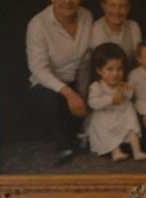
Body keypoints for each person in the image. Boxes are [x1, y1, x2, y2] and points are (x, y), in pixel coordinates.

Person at [26, 0, 94, 166]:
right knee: (51, 102)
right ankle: (65, 147)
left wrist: (84, 91)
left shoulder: (87, 16)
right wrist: (70, 94)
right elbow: (38, 69)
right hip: (49, 85)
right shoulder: (38, 24)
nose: (67, 2)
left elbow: (87, 59)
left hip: (78, 80)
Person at [86, 43, 146, 162]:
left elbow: (128, 97)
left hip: (121, 114)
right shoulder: (97, 86)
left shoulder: (122, 84)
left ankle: (137, 150)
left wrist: (126, 92)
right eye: (109, 69)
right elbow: (93, 103)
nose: (115, 74)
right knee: (102, 123)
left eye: (119, 69)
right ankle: (116, 151)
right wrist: (110, 99)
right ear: (99, 70)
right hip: (105, 115)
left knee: (130, 114)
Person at [89, 0, 141, 66]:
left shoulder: (133, 26)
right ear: (103, 6)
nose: (117, 11)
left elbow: (139, 59)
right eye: (112, 5)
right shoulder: (96, 29)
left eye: (122, 6)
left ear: (129, 7)